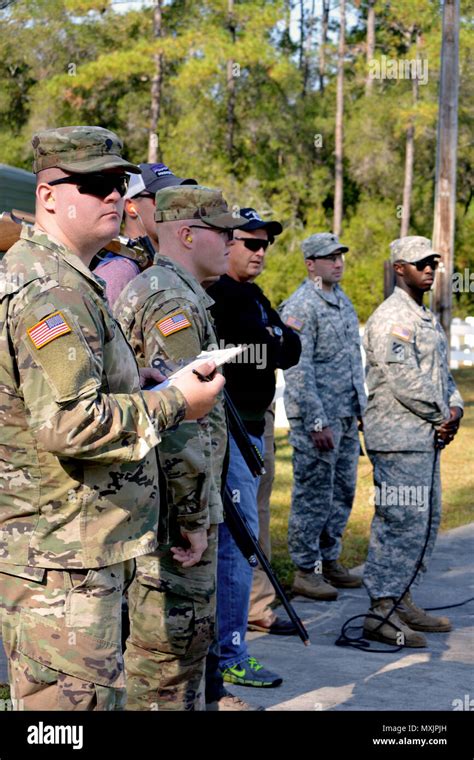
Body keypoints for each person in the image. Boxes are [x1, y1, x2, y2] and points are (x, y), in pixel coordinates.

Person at [0, 126, 224, 711]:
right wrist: (178, 402)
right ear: (49, 196)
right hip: (61, 561)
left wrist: (145, 384)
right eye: (95, 184)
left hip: (76, 551)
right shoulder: (50, 290)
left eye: (118, 184)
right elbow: (71, 424)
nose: (113, 198)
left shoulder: (74, 280)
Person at [114, 185, 246, 710]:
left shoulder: (170, 291)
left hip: (158, 507)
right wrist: (191, 515)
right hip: (169, 516)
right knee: (170, 657)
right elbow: (182, 422)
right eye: (224, 232)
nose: (234, 242)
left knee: (174, 653)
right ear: (188, 234)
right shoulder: (172, 300)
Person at [208, 207, 301, 688]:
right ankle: (229, 652)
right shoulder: (215, 292)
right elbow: (245, 350)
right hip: (227, 428)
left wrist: (270, 336)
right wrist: (268, 338)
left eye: (266, 245)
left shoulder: (255, 294)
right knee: (235, 541)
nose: (260, 252)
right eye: (251, 242)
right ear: (227, 241)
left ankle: (235, 638)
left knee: (252, 530)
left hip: (256, 427)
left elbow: (291, 348)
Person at [362, 236, 463, 647]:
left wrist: (455, 411)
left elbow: (441, 373)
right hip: (399, 438)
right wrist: (442, 414)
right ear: (398, 268)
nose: (429, 269)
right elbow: (405, 379)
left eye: (433, 263)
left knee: (424, 522)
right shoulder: (393, 318)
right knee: (399, 522)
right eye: (420, 262)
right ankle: (379, 612)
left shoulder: (423, 316)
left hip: (423, 437)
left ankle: (401, 599)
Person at [280, 233, 367, 600]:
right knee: (313, 495)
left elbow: (350, 360)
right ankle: (305, 569)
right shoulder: (301, 306)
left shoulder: (341, 300)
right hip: (319, 423)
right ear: (310, 263)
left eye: (340, 256)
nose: (338, 262)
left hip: (345, 418)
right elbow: (298, 370)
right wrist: (316, 421)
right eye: (329, 257)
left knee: (342, 492)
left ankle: (329, 560)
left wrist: (359, 409)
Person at [93, 163, 197, 306]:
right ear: (130, 206)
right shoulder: (120, 271)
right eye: (162, 198)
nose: (175, 207)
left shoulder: (157, 262)